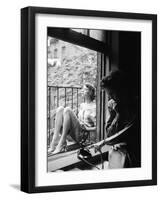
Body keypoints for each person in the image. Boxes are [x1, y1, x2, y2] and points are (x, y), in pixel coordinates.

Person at [95, 70, 141, 168]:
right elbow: (110, 134)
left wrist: (104, 142)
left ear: (122, 90)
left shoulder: (137, 105)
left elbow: (129, 130)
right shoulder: (113, 105)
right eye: (109, 95)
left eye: (112, 93)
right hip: (120, 152)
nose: (111, 97)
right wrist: (114, 115)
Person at [48, 83, 96, 154]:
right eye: (82, 89)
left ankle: (62, 142)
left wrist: (87, 128)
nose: (82, 91)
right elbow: (79, 120)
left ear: (91, 92)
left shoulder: (94, 107)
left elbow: (98, 127)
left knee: (67, 109)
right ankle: (54, 140)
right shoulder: (82, 105)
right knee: (60, 109)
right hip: (76, 132)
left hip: (83, 135)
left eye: (84, 89)